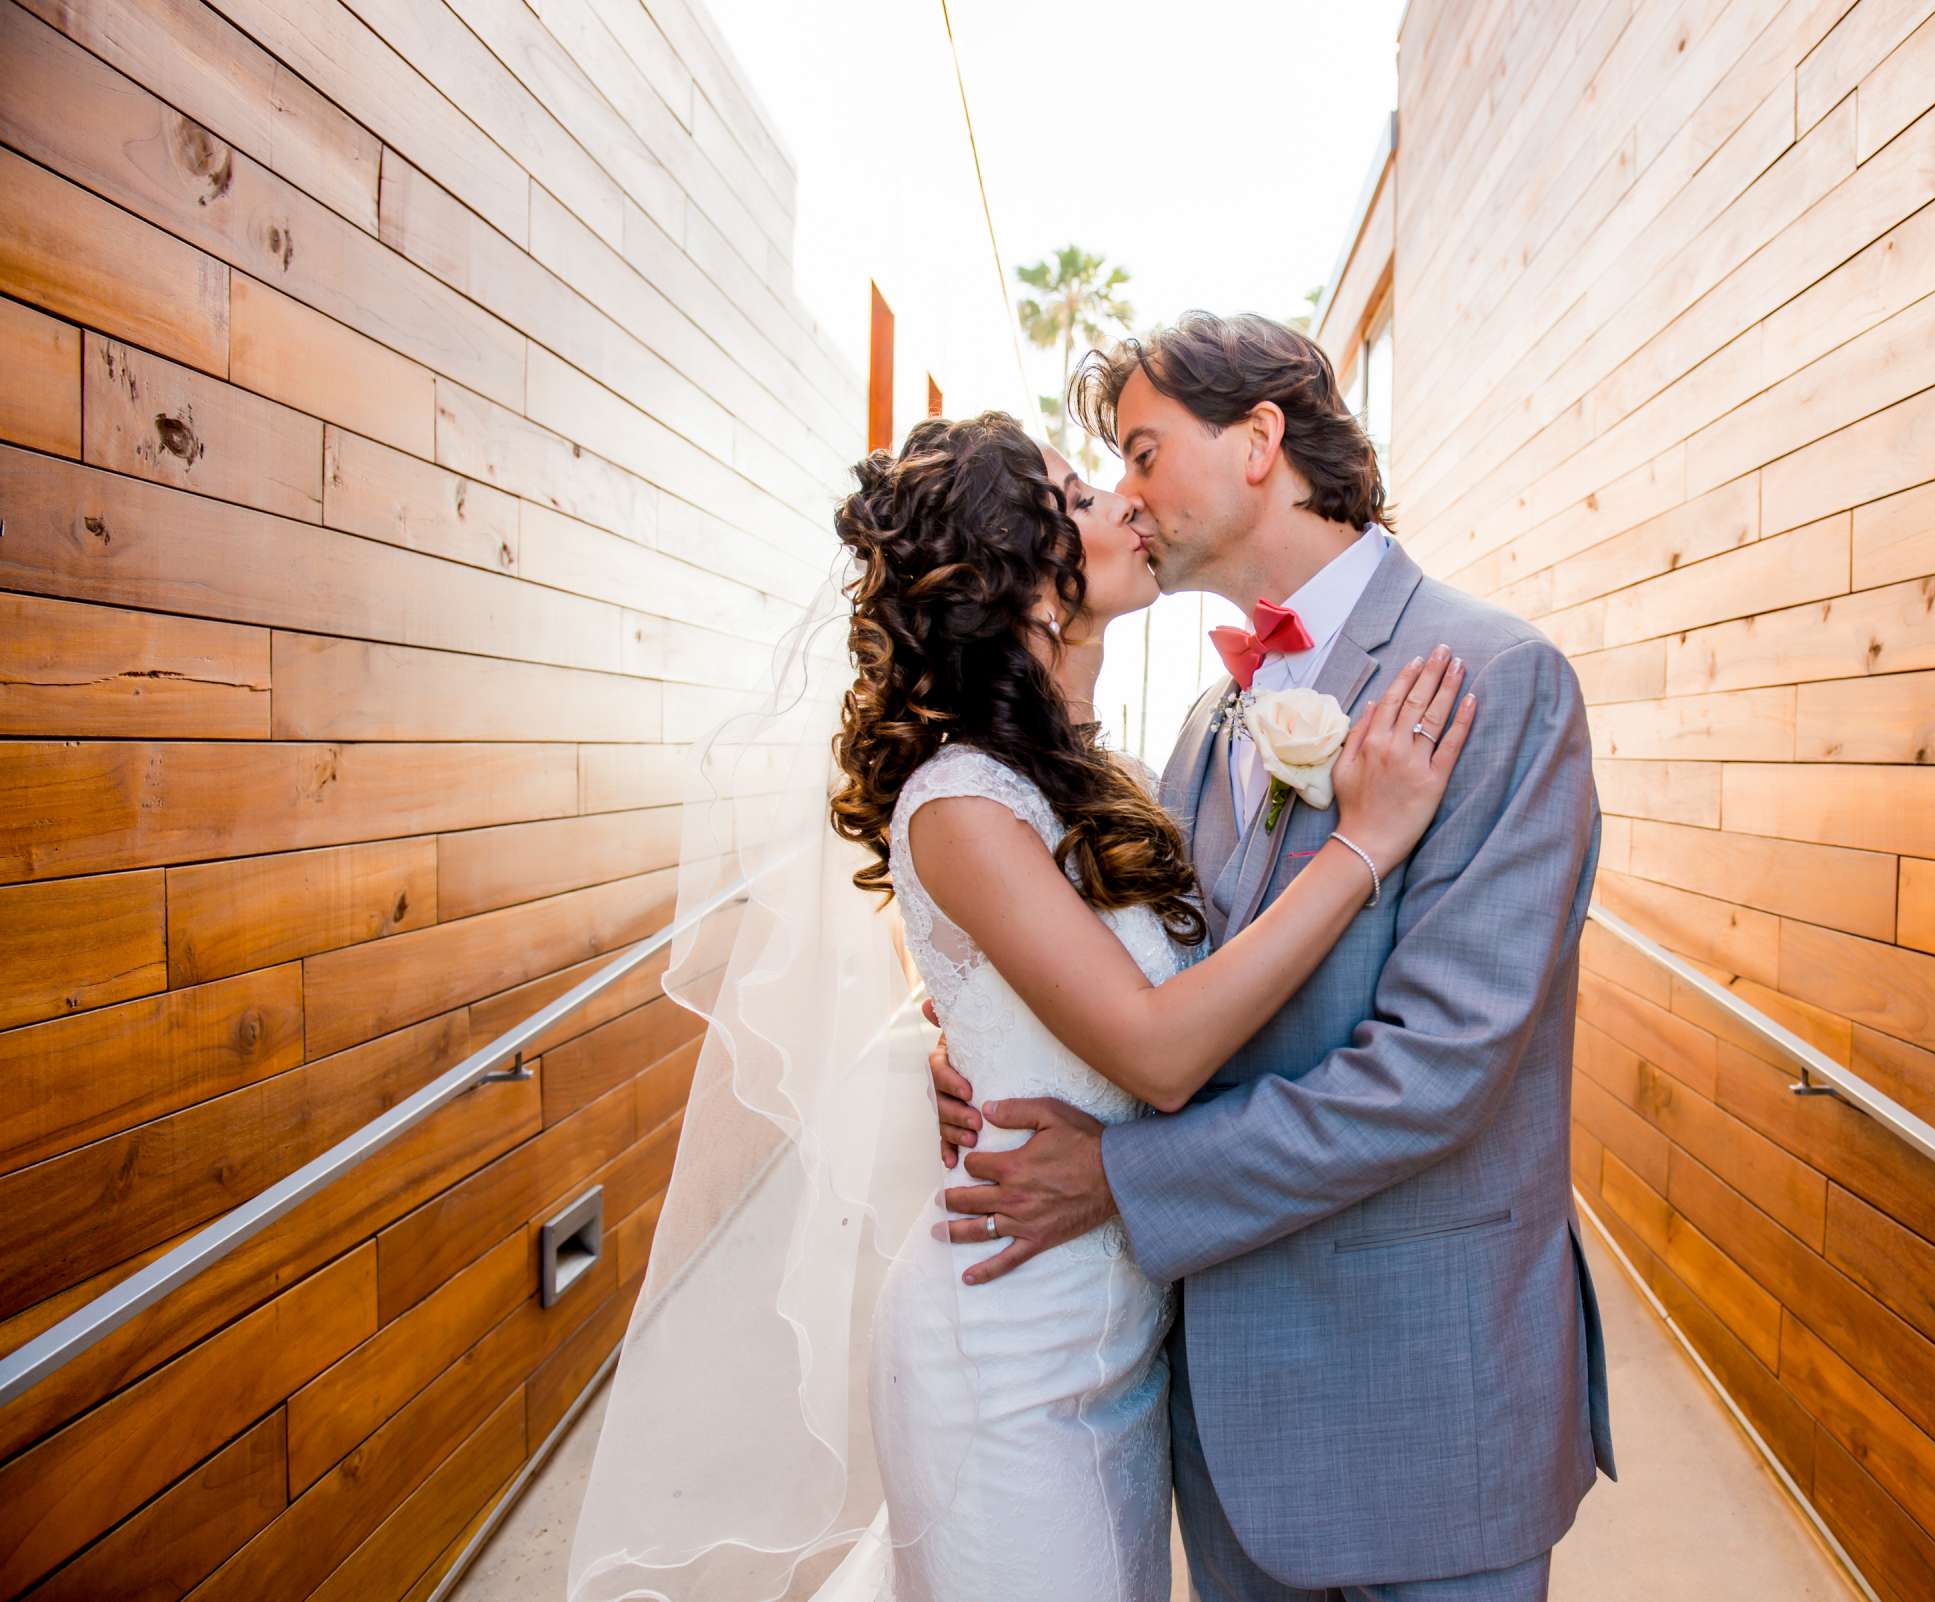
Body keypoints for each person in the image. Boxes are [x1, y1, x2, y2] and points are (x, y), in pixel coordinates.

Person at [565, 407, 1473, 1602]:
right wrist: (1363, 844)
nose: (1128, 505)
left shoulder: (1122, 782)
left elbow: (1087, 1005)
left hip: (1122, 1352)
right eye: (1086, 498)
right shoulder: (961, 805)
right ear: (1031, 589)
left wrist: (978, 1066)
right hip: (1005, 1361)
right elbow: (1157, 1051)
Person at [929, 312, 1616, 1600]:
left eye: (1141, 451)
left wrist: (1122, 1177)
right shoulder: (1206, 724)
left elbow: (1437, 1071)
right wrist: (994, 1054)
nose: (1123, 498)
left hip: (1428, 1405)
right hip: (1224, 1420)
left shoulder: (1499, 677)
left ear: (1260, 441)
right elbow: (1156, 983)